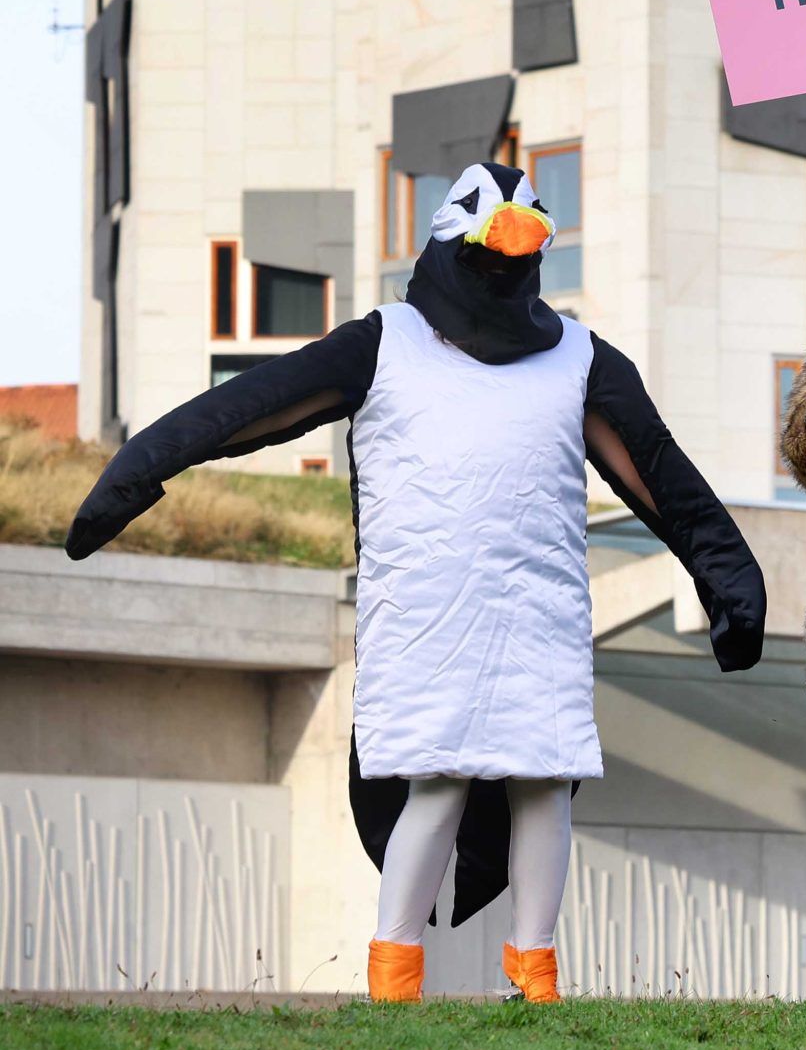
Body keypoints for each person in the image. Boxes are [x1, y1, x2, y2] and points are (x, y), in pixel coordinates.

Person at [66, 162, 765, 1003]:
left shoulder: (578, 359)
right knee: (436, 781)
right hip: (427, 618)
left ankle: (535, 979)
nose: (504, 276)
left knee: (545, 780)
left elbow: (662, 477)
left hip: (537, 613)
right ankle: (395, 977)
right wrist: (136, 471)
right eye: (490, 258)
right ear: (453, 250)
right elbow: (248, 406)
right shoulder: (384, 343)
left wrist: (729, 580)